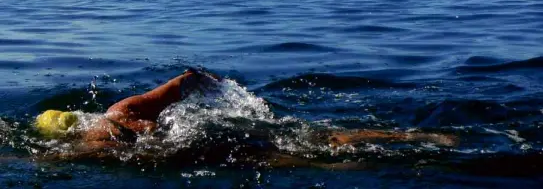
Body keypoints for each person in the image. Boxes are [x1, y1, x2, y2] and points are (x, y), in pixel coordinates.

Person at [34, 68, 458, 168]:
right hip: (225, 124)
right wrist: (224, 91)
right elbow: (187, 79)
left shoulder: (94, 142)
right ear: (73, 114)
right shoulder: (122, 109)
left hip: (197, 147)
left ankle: (351, 165)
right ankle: (411, 136)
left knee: (282, 157)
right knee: (314, 135)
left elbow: (53, 163)